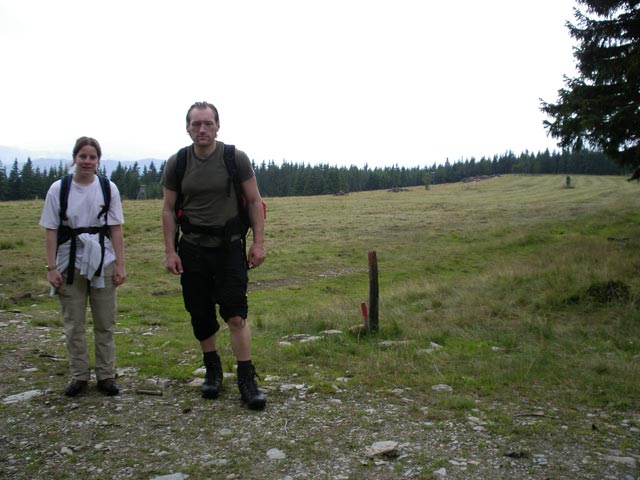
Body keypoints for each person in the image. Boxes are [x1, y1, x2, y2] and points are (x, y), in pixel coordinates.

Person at [161, 101, 267, 410]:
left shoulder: (236, 158)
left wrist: (258, 243)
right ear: (188, 128)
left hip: (230, 247)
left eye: (208, 123)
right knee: (200, 314)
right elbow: (168, 208)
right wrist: (170, 251)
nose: (202, 129)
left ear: (218, 126)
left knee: (235, 314)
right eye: (197, 124)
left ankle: (247, 379)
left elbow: (254, 201)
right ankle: (213, 371)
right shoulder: (177, 163)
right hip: (192, 249)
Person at [39, 136, 126, 397]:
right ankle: (79, 376)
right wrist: (51, 267)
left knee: (105, 321)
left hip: (104, 260)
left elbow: (116, 229)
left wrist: (121, 265)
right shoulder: (58, 189)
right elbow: (50, 231)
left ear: (98, 160)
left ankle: (106, 375)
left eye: (92, 157)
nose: (87, 161)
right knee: (73, 322)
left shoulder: (108, 188)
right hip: (68, 262)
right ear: (75, 158)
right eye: (83, 156)